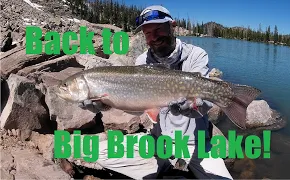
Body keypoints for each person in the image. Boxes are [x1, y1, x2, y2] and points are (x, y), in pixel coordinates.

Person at [79, 5, 233, 180]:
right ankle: (166, 170)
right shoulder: (142, 60)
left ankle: (164, 171)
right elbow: (137, 105)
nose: (154, 38)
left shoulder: (196, 55)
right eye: (147, 34)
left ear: (172, 25)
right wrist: (104, 106)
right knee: (99, 152)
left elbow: (205, 104)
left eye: (158, 30)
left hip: (194, 144)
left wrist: (189, 107)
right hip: (158, 140)